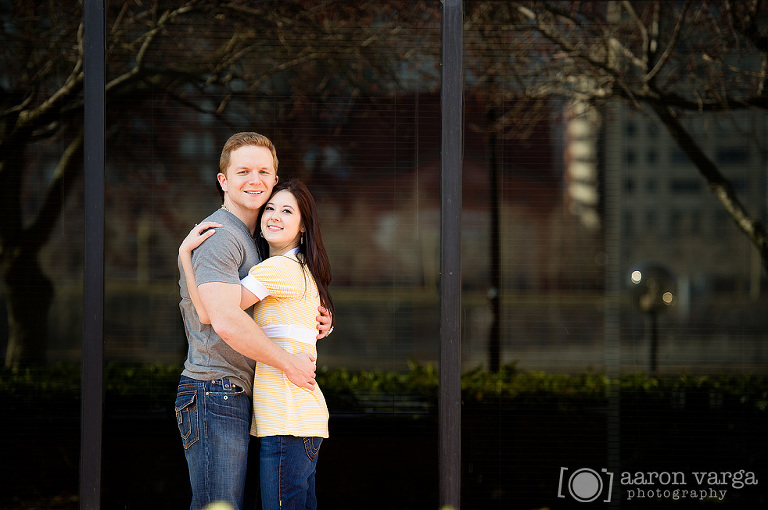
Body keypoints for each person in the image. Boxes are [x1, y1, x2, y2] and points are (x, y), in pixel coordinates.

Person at [175, 132, 332, 510]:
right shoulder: (221, 236)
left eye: (263, 171)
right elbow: (221, 318)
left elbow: (279, 299)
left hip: (239, 392)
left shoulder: (257, 242)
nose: (254, 180)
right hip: (215, 387)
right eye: (243, 171)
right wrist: (290, 363)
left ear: (275, 179)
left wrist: (320, 319)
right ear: (223, 180)